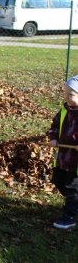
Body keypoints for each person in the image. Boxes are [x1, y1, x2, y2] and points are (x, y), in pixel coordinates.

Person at [47, 75, 78, 229]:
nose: (66, 97)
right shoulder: (64, 111)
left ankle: (70, 216)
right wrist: (53, 137)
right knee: (58, 181)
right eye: (65, 94)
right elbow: (54, 125)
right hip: (63, 157)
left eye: (71, 94)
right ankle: (73, 203)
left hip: (76, 163)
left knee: (73, 188)